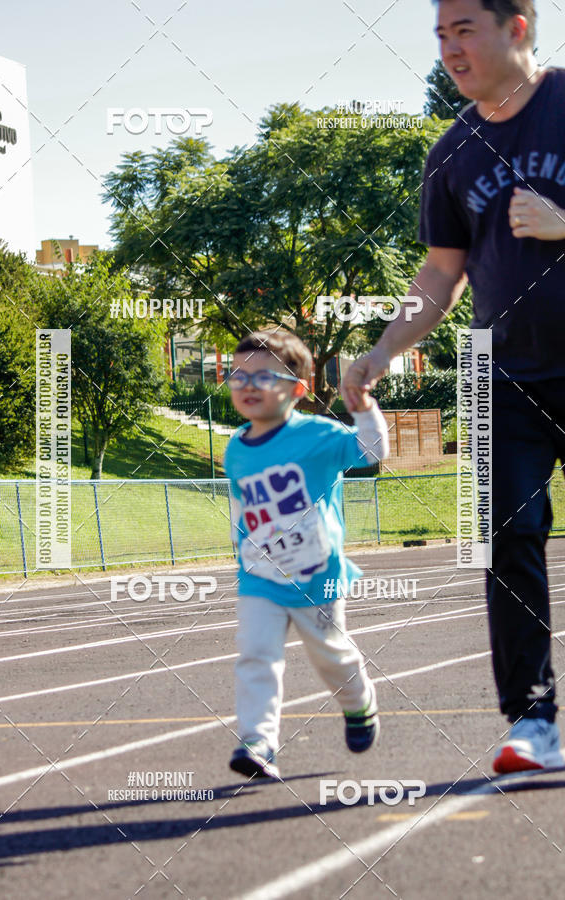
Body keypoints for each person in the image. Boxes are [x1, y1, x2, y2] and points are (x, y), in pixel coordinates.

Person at [343, 0, 565, 774]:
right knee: (507, 536)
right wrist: (380, 352)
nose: (449, 49)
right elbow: (440, 275)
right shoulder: (452, 152)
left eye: (464, 29)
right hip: (507, 375)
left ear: (519, 26)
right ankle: (533, 720)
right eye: (440, 35)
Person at [224, 330, 389, 779]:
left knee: (331, 656)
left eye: (263, 376)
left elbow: (371, 451)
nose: (248, 385)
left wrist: (364, 409)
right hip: (260, 576)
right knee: (256, 654)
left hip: (319, 575)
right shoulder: (236, 446)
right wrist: (242, 551)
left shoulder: (318, 434)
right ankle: (258, 742)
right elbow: (242, 506)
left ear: (297, 388)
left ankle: (359, 704)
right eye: (238, 376)